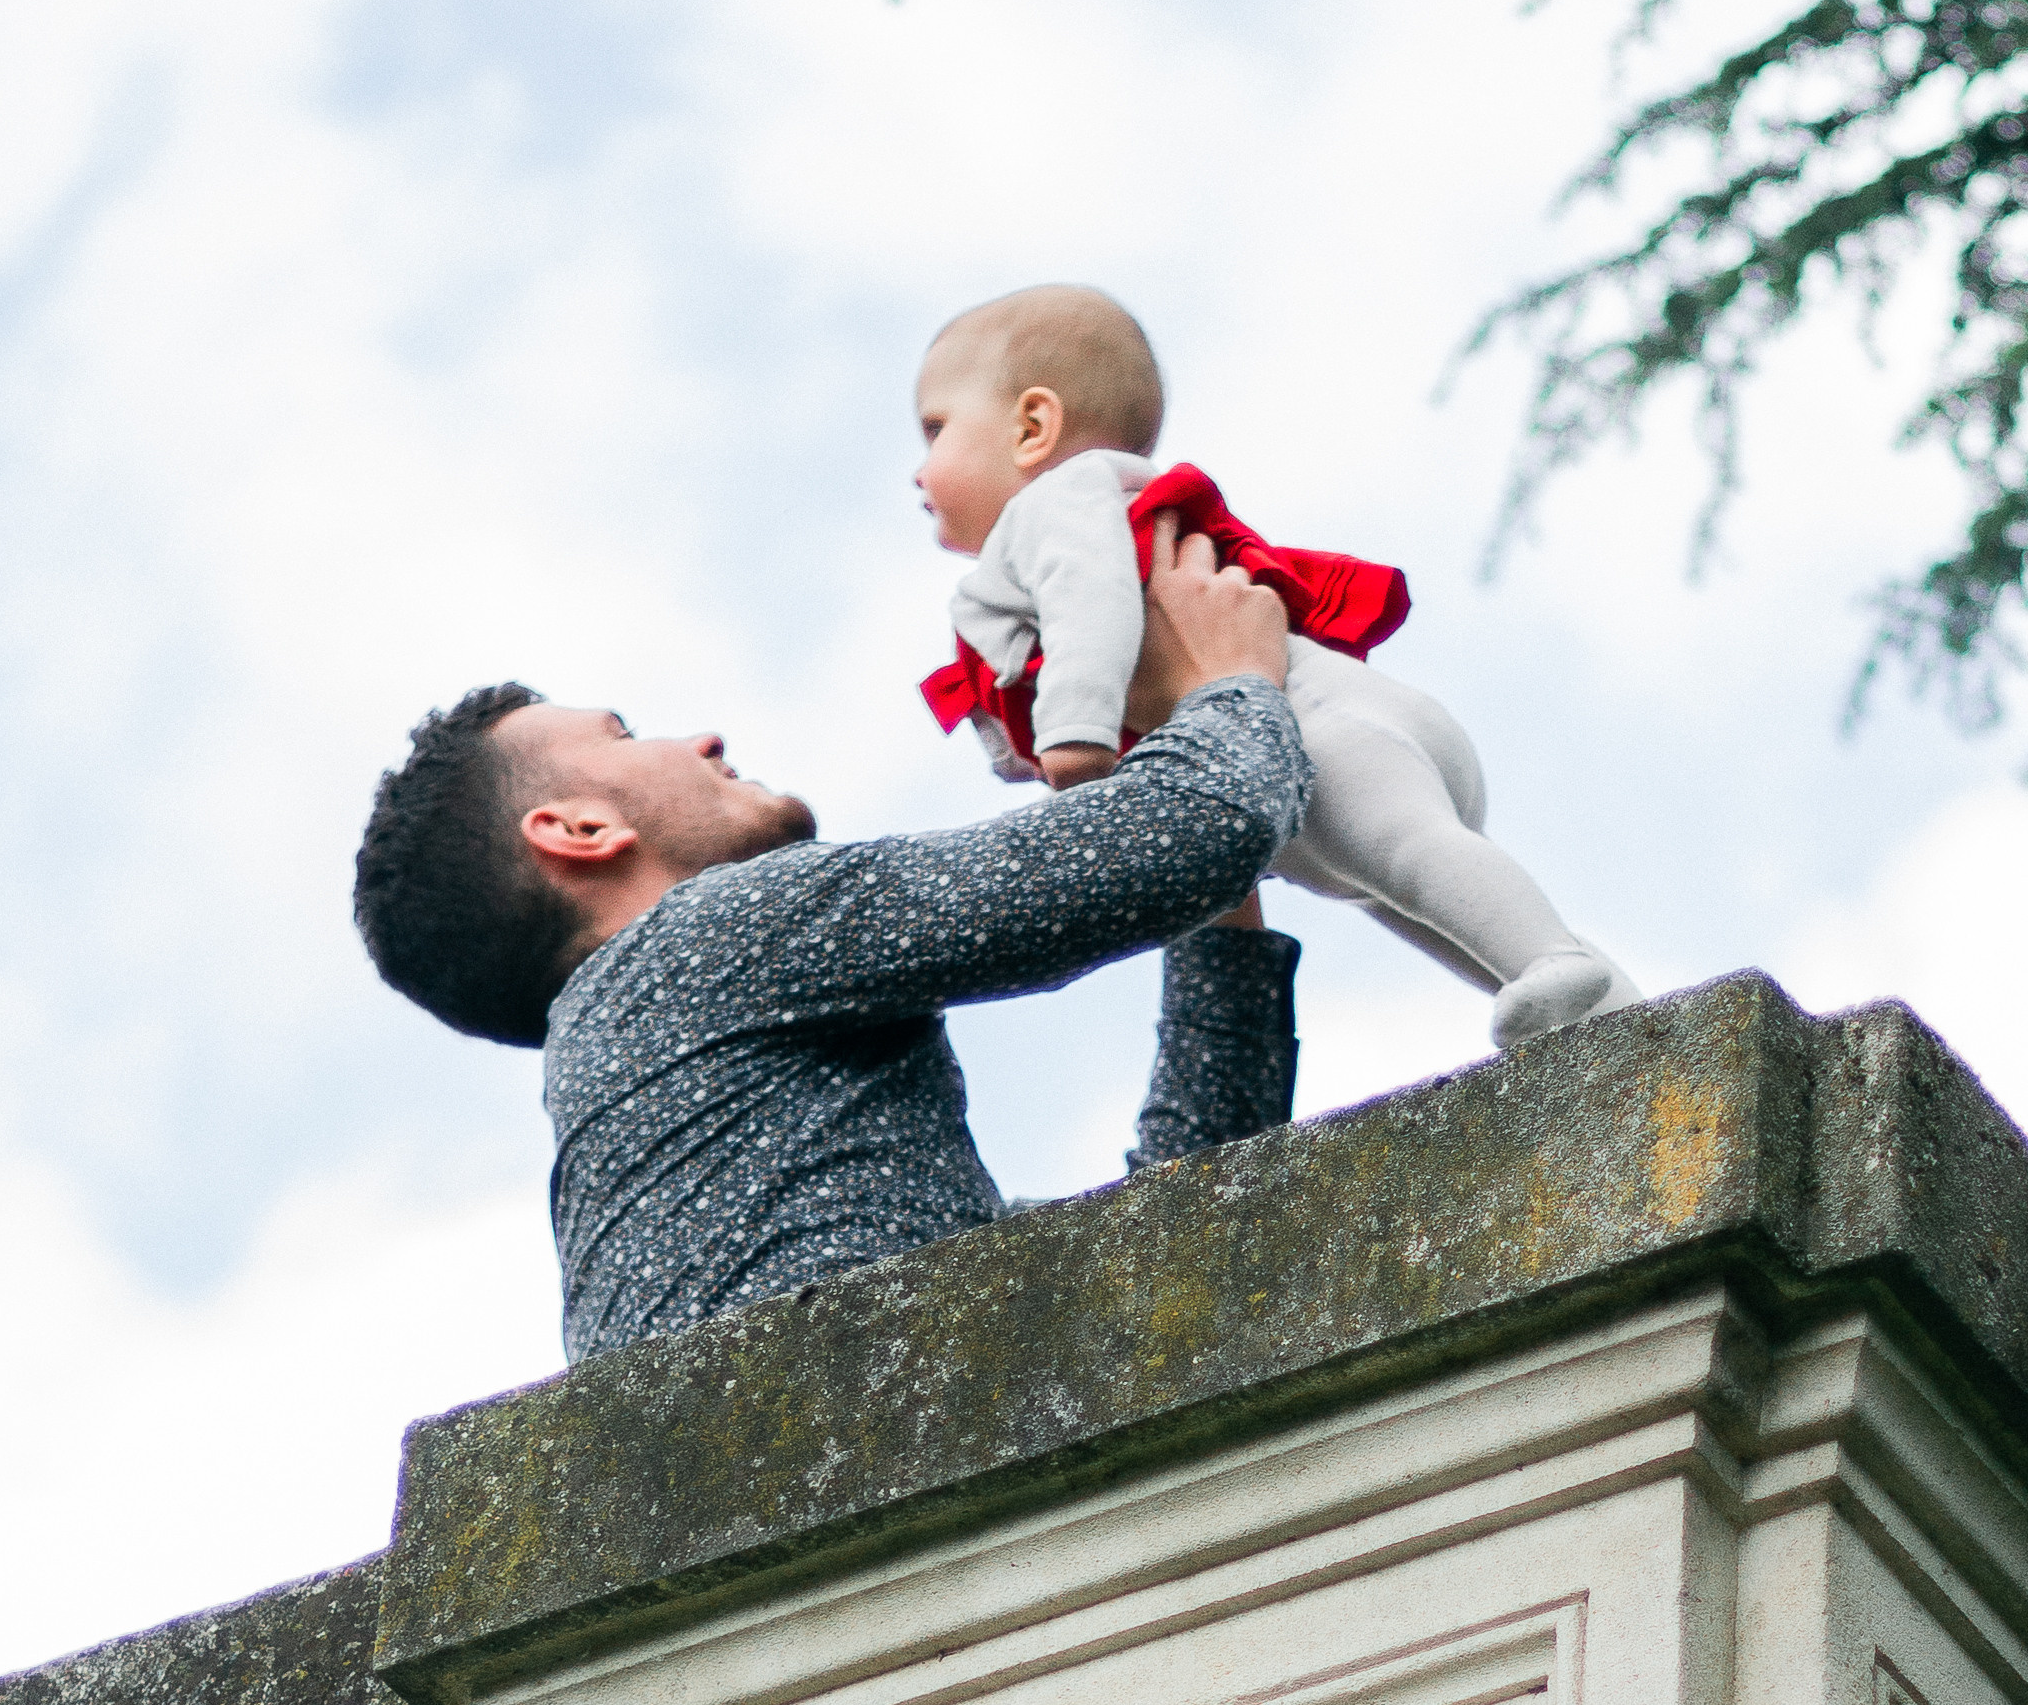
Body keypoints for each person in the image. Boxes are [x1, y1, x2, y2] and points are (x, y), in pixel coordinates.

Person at [353, 523, 1313, 1361]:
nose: (702, 740)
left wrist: (1208, 872)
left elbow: (1176, 1235)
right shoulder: (703, 939)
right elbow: (1202, 826)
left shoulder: (668, 1110)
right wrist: (1221, 679)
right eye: (624, 734)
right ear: (578, 831)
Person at [914, 283, 1642, 1048]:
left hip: (1321, 730)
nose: (918, 469)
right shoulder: (1058, 527)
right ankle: (1604, 1009)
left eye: (935, 430)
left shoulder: (1058, 503)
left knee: (1409, 859)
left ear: (1033, 425)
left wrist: (1074, 730)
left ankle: (1550, 962)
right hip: (1326, 748)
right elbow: (1008, 665)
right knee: (1408, 894)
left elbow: (1089, 602)